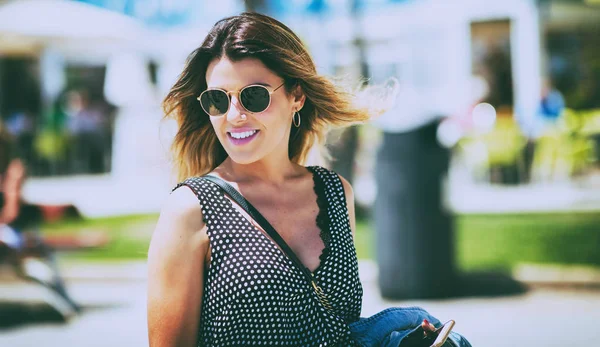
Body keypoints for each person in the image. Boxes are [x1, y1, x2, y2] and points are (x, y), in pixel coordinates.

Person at [147, 12, 449, 347]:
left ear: (297, 96)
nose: (234, 115)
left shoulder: (335, 193)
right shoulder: (190, 210)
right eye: (218, 99)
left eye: (254, 96)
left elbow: (340, 329)